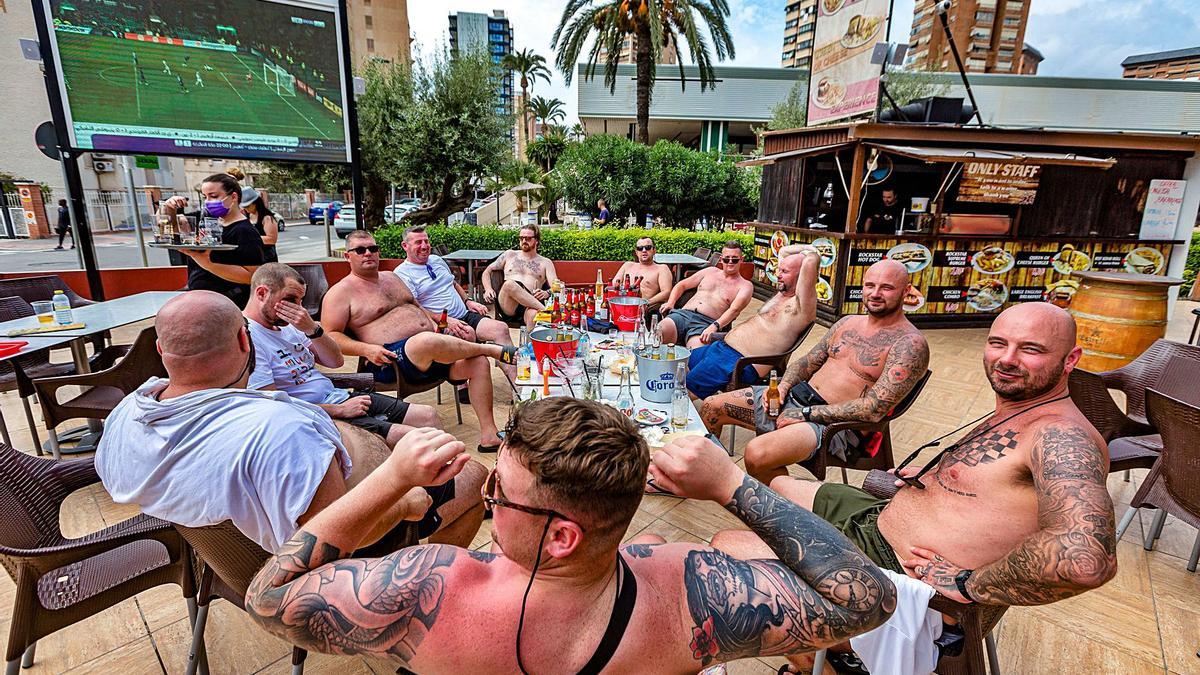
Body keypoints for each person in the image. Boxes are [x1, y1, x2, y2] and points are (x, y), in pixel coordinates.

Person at [244, 398, 896, 673]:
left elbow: (269, 594)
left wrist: (389, 480)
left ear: (559, 536)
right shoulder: (686, 591)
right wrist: (732, 483)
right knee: (739, 547)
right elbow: (865, 598)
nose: (488, 499)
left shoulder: (431, 586)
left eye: (500, 493)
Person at [711, 303, 1117, 670]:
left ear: (1070, 360)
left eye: (1030, 349)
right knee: (769, 490)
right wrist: (930, 479)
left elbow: (1084, 559)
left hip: (890, 571)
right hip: (876, 518)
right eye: (998, 343)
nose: (1007, 359)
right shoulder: (1021, 410)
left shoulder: (1063, 436)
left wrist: (967, 584)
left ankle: (826, 662)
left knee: (726, 549)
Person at [96, 291, 487, 553]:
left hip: (230, 552)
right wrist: (404, 502)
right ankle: (423, 586)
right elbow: (331, 538)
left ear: (162, 350)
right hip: (333, 562)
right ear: (245, 342)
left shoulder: (127, 413)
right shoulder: (279, 431)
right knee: (473, 478)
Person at [700, 259, 929, 485]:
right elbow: (807, 362)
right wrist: (782, 387)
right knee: (712, 406)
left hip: (833, 427)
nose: (876, 293)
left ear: (906, 291)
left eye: (886, 288)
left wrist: (806, 413)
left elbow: (873, 410)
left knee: (757, 454)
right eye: (870, 285)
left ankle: (785, 512)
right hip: (795, 399)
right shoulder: (847, 323)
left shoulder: (909, 344)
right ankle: (708, 477)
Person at [321, 230, 515, 452]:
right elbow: (331, 337)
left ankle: (489, 435)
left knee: (477, 363)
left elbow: (417, 307)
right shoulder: (340, 293)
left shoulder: (391, 278)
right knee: (425, 341)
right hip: (390, 360)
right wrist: (365, 349)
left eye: (373, 249)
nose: (368, 254)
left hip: (429, 351)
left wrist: (437, 326)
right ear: (348, 256)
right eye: (360, 250)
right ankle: (493, 350)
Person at [244, 263, 439, 446]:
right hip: (316, 415)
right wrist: (339, 410)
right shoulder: (249, 339)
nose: (299, 308)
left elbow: (335, 361)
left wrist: (313, 330)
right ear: (262, 293)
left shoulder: (289, 326)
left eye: (301, 301)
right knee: (416, 439)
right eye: (291, 300)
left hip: (339, 397)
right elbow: (273, 404)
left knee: (427, 416)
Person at [685, 245, 820, 401]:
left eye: (784, 272)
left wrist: (811, 249)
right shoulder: (782, 294)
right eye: (779, 270)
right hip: (722, 349)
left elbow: (811, 260)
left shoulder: (802, 305)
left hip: (739, 363)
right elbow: (783, 252)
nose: (778, 275)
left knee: (684, 392)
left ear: (802, 274)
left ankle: (675, 419)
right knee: (680, 366)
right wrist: (791, 262)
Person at [395, 225, 516, 382]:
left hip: (464, 314)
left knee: (500, 328)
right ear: (405, 246)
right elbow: (415, 308)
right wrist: (443, 319)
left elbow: (452, 283)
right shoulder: (402, 273)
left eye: (426, 241)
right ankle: (463, 381)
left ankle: (517, 386)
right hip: (440, 324)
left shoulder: (437, 260)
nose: (424, 246)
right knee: (468, 334)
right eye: (418, 242)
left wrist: (468, 301)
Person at [157, 173, 265, 308]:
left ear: (233, 197)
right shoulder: (204, 221)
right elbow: (166, 227)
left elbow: (252, 276)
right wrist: (168, 208)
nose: (208, 202)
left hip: (228, 305)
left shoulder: (245, 231)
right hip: (200, 301)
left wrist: (207, 264)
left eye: (213, 196)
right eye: (205, 197)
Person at [658, 241, 754, 348]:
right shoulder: (710, 271)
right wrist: (670, 303)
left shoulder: (745, 286)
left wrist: (715, 326)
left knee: (696, 354)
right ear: (721, 259)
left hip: (705, 324)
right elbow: (682, 285)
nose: (730, 262)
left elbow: (734, 310)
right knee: (658, 333)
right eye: (727, 259)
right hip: (682, 315)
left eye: (735, 259)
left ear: (742, 259)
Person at [481, 224, 558, 329]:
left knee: (533, 316)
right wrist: (488, 289)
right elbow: (487, 271)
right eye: (521, 238)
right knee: (510, 284)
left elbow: (557, 287)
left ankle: (529, 345)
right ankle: (548, 312)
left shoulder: (545, 262)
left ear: (537, 240)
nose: (524, 241)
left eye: (528, 238)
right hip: (508, 304)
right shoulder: (510, 255)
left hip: (530, 304)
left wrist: (546, 293)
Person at [614, 236, 673, 314]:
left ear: (654, 250)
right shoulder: (627, 266)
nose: (644, 250)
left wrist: (646, 303)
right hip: (622, 306)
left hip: (646, 310)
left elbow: (666, 292)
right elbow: (614, 284)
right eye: (640, 248)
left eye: (648, 247)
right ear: (636, 252)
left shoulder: (662, 268)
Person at [240, 186, 279, 263]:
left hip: (267, 258)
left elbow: (271, 239)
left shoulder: (267, 218)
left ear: (256, 203)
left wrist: (250, 238)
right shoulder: (247, 217)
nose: (246, 209)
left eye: (248, 206)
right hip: (252, 258)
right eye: (244, 207)